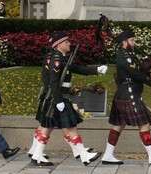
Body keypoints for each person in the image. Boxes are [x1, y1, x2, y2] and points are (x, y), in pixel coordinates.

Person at [28, 31, 108, 166]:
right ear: (59, 45)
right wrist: (58, 100)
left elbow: (77, 68)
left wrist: (97, 69)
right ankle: (83, 154)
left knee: (48, 126)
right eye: (66, 42)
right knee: (69, 126)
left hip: (56, 97)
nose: (69, 43)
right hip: (57, 97)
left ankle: (37, 154)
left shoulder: (62, 57)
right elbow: (53, 82)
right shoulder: (57, 60)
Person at [101, 30, 151, 165]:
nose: (134, 42)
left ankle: (108, 155)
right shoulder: (123, 56)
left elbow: (138, 70)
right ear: (124, 42)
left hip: (124, 94)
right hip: (129, 94)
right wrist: (150, 81)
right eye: (132, 40)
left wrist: (150, 68)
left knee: (118, 125)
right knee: (143, 123)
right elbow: (134, 74)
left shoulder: (130, 55)